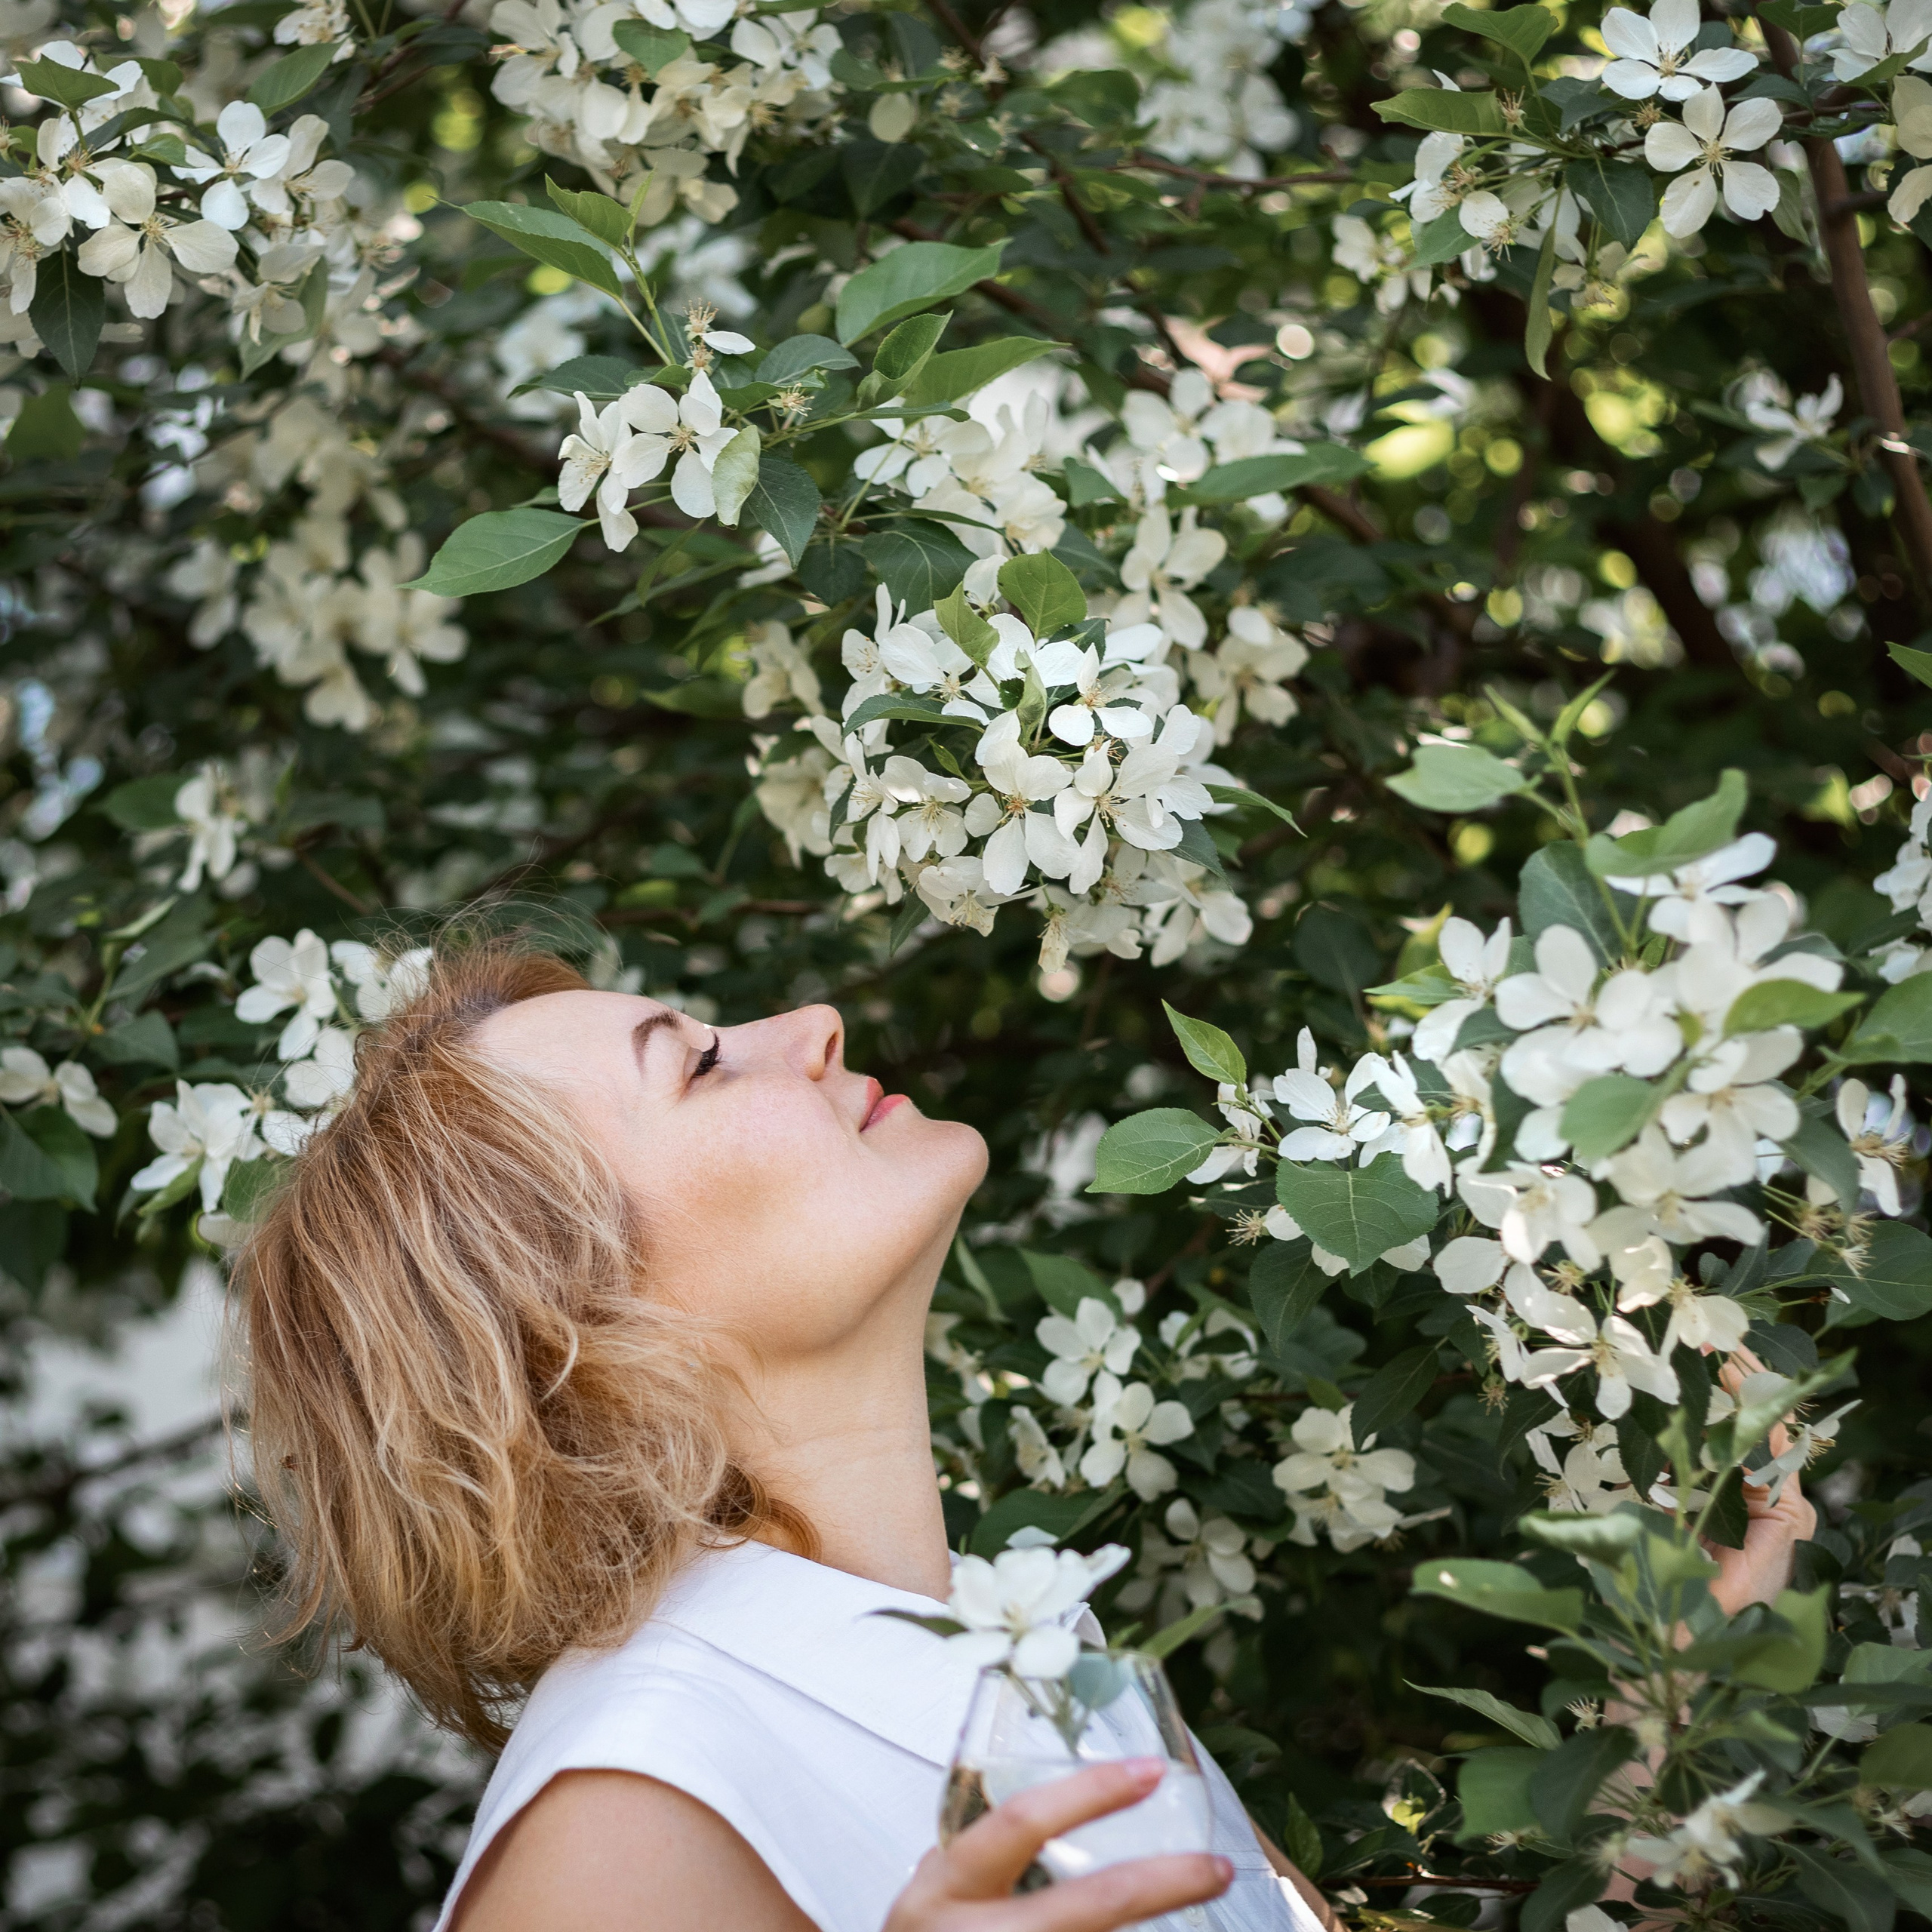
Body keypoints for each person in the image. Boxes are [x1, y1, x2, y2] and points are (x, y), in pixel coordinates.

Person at [237, 941, 1812, 1932]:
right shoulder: (635, 1807)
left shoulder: (1036, 1663)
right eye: (700, 1059)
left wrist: (1640, 1765)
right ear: (564, 1320)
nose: (812, 1021)